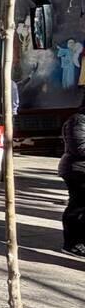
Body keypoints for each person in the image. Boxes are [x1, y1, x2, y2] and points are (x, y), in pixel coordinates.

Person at [58, 91, 85, 257]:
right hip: (78, 171)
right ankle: (73, 244)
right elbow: (80, 147)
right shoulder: (78, 120)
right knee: (79, 207)